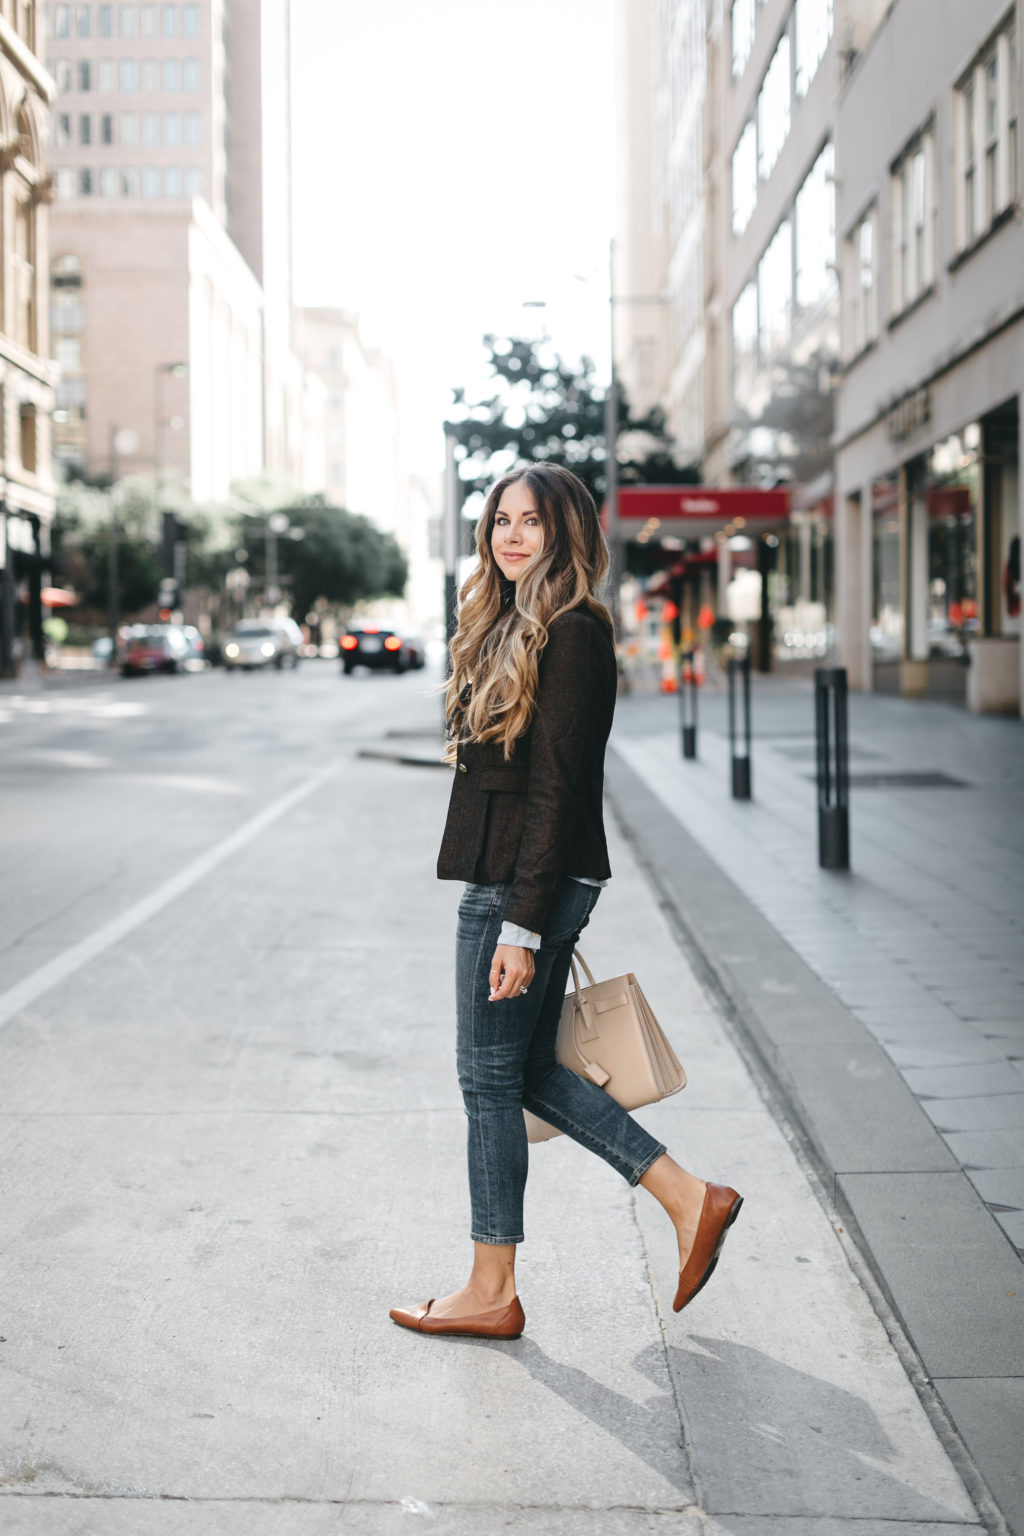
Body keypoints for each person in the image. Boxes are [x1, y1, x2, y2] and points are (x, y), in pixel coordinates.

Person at [390, 464, 741, 1340]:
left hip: (526, 883)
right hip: (515, 877)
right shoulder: (517, 622)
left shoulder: (572, 633)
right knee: (520, 1073)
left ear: (565, 532)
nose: (510, 535)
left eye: (531, 522)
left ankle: (491, 1287)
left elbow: (559, 788)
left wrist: (521, 925)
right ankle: (689, 1197)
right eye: (500, 520)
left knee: (486, 1081)